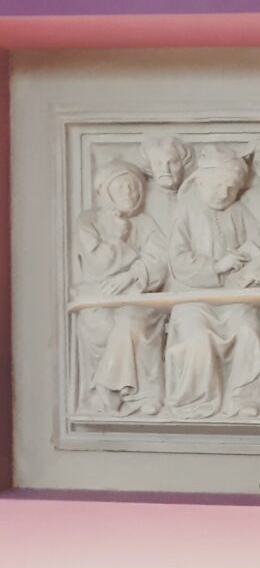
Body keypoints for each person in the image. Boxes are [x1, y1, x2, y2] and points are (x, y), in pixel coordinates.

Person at [165, 145, 260, 419]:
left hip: (235, 298)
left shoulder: (238, 211)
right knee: (198, 337)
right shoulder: (185, 210)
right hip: (193, 299)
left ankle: (245, 398)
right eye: (217, 185)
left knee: (248, 329)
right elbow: (177, 259)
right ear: (201, 181)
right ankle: (196, 400)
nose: (224, 194)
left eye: (231, 188)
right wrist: (216, 266)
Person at [74, 160, 167, 416]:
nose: (129, 192)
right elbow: (96, 264)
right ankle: (106, 392)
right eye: (121, 187)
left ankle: (134, 393)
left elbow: (159, 262)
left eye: (133, 186)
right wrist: (118, 237)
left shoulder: (145, 222)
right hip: (98, 299)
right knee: (101, 324)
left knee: (131, 322)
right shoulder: (89, 221)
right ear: (107, 192)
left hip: (138, 298)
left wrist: (130, 276)